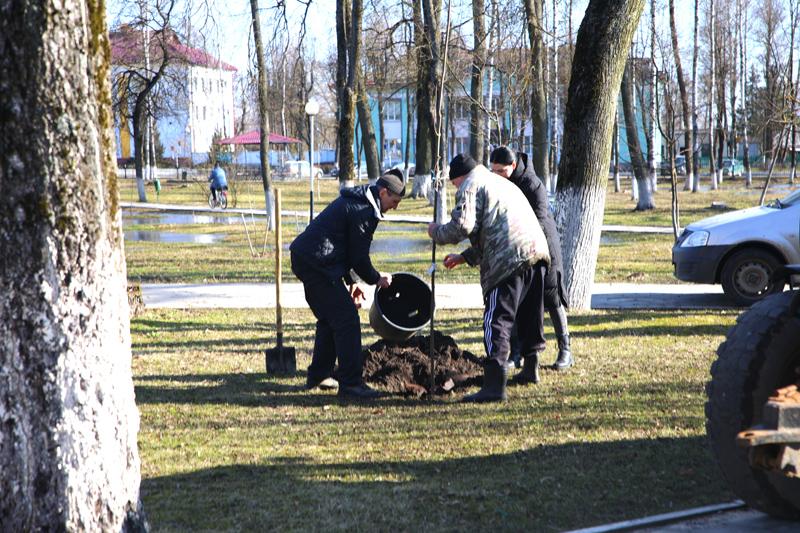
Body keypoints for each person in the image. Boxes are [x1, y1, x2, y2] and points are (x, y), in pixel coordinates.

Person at [428, 154, 550, 403]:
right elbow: (496, 227)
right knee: (528, 314)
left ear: (459, 177)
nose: (456, 188)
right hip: (535, 252)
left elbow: (463, 226)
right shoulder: (499, 182)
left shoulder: (470, 184)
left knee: (497, 320)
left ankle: (494, 386)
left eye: (454, 183)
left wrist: (436, 232)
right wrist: (464, 257)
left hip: (508, 259)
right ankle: (531, 369)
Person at [290, 169, 406, 399]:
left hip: (310, 259)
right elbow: (359, 257)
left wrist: (352, 281)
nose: (394, 207)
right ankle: (351, 384)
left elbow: (346, 247)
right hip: (316, 264)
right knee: (347, 320)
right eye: (394, 201)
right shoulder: (363, 211)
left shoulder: (361, 203)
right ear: (383, 192)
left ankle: (319, 375)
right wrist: (376, 279)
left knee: (330, 319)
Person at [489, 146, 574, 373]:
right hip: (516, 248)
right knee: (517, 299)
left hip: (543, 244)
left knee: (552, 296)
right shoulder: (500, 184)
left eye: (501, 171)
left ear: (513, 165)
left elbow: (538, 219)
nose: (497, 175)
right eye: (493, 171)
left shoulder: (532, 185)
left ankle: (566, 349)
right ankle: (516, 352)